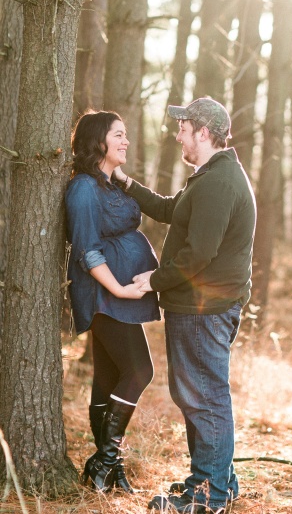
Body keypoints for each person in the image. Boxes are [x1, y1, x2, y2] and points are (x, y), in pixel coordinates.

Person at [113, 97, 256, 514]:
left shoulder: (218, 182)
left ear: (204, 134)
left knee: (205, 398)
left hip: (204, 310)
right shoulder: (210, 176)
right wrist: (125, 182)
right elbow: (168, 209)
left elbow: (197, 255)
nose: (178, 135)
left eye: (184, 128)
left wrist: (153, 280)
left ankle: (208, 497)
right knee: (198, 394)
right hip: (201, 308)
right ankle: (215, 482)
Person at [65, 110, 161, 494]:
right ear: (98, 140)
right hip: (103, 296)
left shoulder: (108, 183)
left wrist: (120, 177)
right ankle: (105, 461)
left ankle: (107, 469)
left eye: (126, 135)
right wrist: (120, 289)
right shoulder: (84, 188)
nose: (126, 141)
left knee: (107, 378)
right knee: (139, 370)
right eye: (118, 135)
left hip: (116, 297)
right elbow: (87, 251)